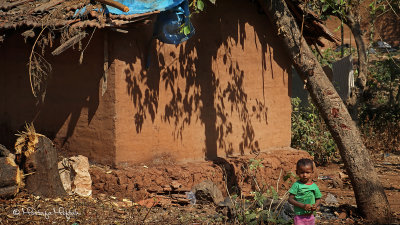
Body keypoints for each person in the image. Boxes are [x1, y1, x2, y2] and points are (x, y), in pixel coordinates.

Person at [288, 158, 322, 225]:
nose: (305, 175)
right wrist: (302, 206)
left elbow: (318, 199)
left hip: (311, 216)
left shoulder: (314, 186)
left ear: (312, 172)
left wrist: (315, 205)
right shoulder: (296, 185)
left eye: (307, 172)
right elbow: (290, 199)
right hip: (299, 216)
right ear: (297, 172)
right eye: (302, 172)